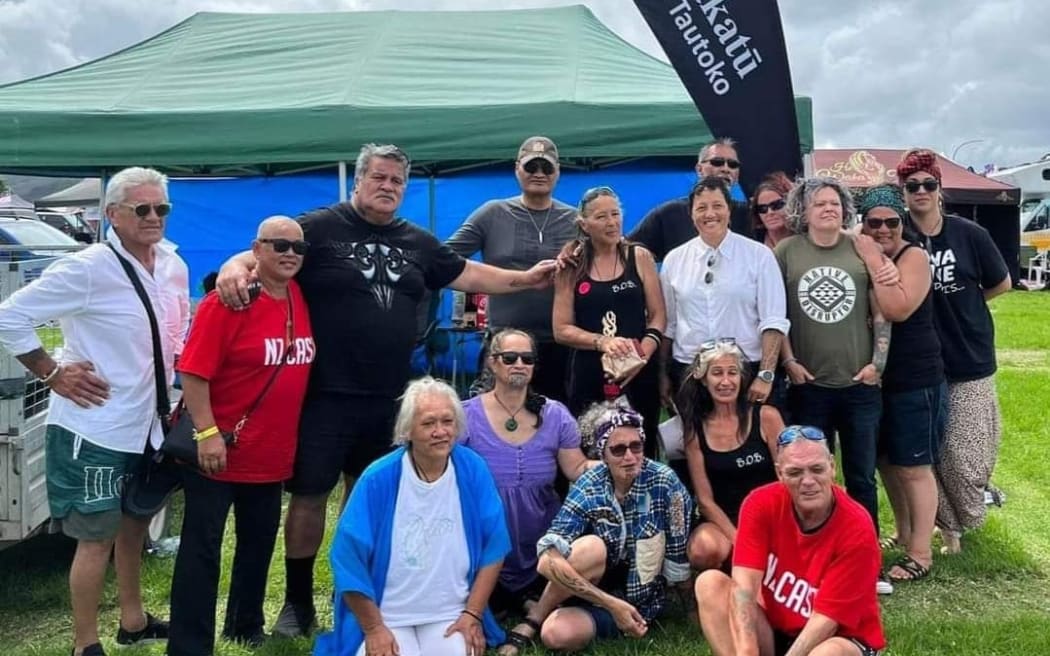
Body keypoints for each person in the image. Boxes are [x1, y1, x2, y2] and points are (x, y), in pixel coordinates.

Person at [214, 143, 558, 637]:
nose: (387, 187)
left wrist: (525, 279)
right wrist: (233, 265)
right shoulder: (321, 227)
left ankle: (364, 601)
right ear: (358, 181)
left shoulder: (417, 241)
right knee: (309, 498)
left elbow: (468, 273)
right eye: (378, 177)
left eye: (397, 181)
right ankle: (297, 603)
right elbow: (268, 248)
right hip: (325, 395)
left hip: (390, 401)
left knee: (370, 502)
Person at [0, 167, 184, 656]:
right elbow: (8, 314)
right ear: (113, 215)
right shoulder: (88, 267)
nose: (153, 218)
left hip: (148, 425)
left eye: (160, 208)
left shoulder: (171, 263)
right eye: (141, 209)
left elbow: (173, 335)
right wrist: (51, 371)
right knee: (95, 539)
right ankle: (86, 645)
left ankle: (133, 620)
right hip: (94, 427)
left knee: (134, 526)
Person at [167, 217, 315, 655]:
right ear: (256, 248)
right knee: (202, 551)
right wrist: (208, 433)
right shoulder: (227, 302)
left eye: (298, 248)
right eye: (279, 245)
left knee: (257, 545)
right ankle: (190, 645)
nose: (290, 254)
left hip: (271, 454)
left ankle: (244, 626)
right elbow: (192, 373)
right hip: (219, 451)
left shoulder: (298, 296)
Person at [313, 377, 510, 656]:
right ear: (407, 430)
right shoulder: (378, 478)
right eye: (428, 423)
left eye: (447, 421)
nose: (440, 431)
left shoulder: (473, 468)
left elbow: (495, 546)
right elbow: (347, 559)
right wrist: (373, 629)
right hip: (387, 615)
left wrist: (473, 615)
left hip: (450, 613)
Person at [498, 402, 692, 655]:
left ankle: (606, 619)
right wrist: (611, 605)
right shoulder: (590, 482)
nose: (630, 457)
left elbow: (678, 553)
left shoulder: (666, 482)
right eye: (618, 450)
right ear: (602, 454)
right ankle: (536, 618)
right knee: (589, 549)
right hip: (594, 590)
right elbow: (547, 559)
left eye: (636, 446)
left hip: (640, 597)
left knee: (558, 635)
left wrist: (690, 610)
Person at [895, 149, 1012, 555]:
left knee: (966, 454)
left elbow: (1001, 283)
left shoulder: (969, 234)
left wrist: (967, 305)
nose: (921, 192)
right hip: (919, 361)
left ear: (940, 189)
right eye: (913, 186)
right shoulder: (898, 234)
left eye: (929, 184)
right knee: (930, 452)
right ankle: (948, 533)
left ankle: (969, 511)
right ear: (903, 192)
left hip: (969, 356)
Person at [776, 177, 901, 554]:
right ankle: (817, 553)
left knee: (862, 477)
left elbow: (881, 313)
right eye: (819, 204)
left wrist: (877, 365)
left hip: (859, 386)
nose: (829, 209)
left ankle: (864, 553)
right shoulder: (786, 251)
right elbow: (775, 314)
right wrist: (789, 361)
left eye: (834, 203)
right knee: (810, 477)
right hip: (809, 385)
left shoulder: (860, 248)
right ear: (804, 211)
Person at [695, 425, 886, 656]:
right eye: (795, 472)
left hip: (838, 637)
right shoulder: (760, 503)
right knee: (710, 584)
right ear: (779, 473)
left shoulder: (857, 528)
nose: (808, 481)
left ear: (832, 467)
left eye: (817, 469)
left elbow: (827, 621)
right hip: (778, 627)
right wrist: (745, 650)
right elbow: (743, 587)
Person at [460, 328, 593, 616]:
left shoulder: (554, 414)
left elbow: (577, 468)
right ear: (492, 363)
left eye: (527, 358)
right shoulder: (465, 416)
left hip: (541, 539)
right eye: (509, 358)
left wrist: (620, 461)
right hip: (483, 539)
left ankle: (526, 597)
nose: (519, 364)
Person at [856, 185, 945, 583]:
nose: (882, 229)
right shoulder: (868, 253)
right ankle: (906, 533)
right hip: (878, 379)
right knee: (887, 461)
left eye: (891, 222)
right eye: (872, 222)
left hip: (915, 376)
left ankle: (921, 552)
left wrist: (873, 258)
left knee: (914, 466)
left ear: (902, 222)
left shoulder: (914, 257)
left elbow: (897, 308)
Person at [447, 136, 578, 402]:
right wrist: (489, 278)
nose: (539, 174)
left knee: (560, 424)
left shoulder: (577, 221)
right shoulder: (493, 213)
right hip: (504, 343)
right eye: (532, 167)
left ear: (558, 172)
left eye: (547, 167)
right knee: (497, 423)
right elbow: (444, 259)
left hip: (562, 345)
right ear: (517, 169)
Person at [660, 176, 789, 419]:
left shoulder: (759, 256)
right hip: (691, 371)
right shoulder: (674, 260)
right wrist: (662, 376)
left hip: (745, 370)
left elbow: (773, 321)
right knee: (694, 450)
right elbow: (669, 324)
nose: (710, 214)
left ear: (729, 210)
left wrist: (765, 375)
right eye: (701, 208)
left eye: (717, 206)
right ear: (691, 214)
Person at [552, 186, 666, 454]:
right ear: (584, 224)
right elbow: (561, 329)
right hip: (590, 373)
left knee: (641, 447)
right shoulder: (572, 265)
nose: (612, 222)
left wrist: (641, 356)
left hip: (638, 372)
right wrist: (602, 342)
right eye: (601, 217)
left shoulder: (638, 256)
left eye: (615, 214)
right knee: (592, 445)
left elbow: (659, 316)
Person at [677, 341, 783, 572]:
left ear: (742, 378)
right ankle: (718, 582)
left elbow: (787, 478)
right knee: (703, 550)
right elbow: (704, 501)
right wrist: (741, 541)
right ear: (704, 380)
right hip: (724, 518)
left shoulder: (767, 418)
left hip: (770, 516)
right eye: (717, 373)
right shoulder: (695, 430)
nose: (726, 381)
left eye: (732, 372)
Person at [628, 137, 753, 261]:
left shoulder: (749, 214)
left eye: (733, 165)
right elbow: (624, 249)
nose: (726, 169)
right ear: (699, 169)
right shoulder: (670, 213)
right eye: (717, 162)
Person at [751, 172, 794, 250]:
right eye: (762, 208)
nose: (769, 212)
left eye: (777, 205)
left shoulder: (807, 240)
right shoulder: (752, 244)